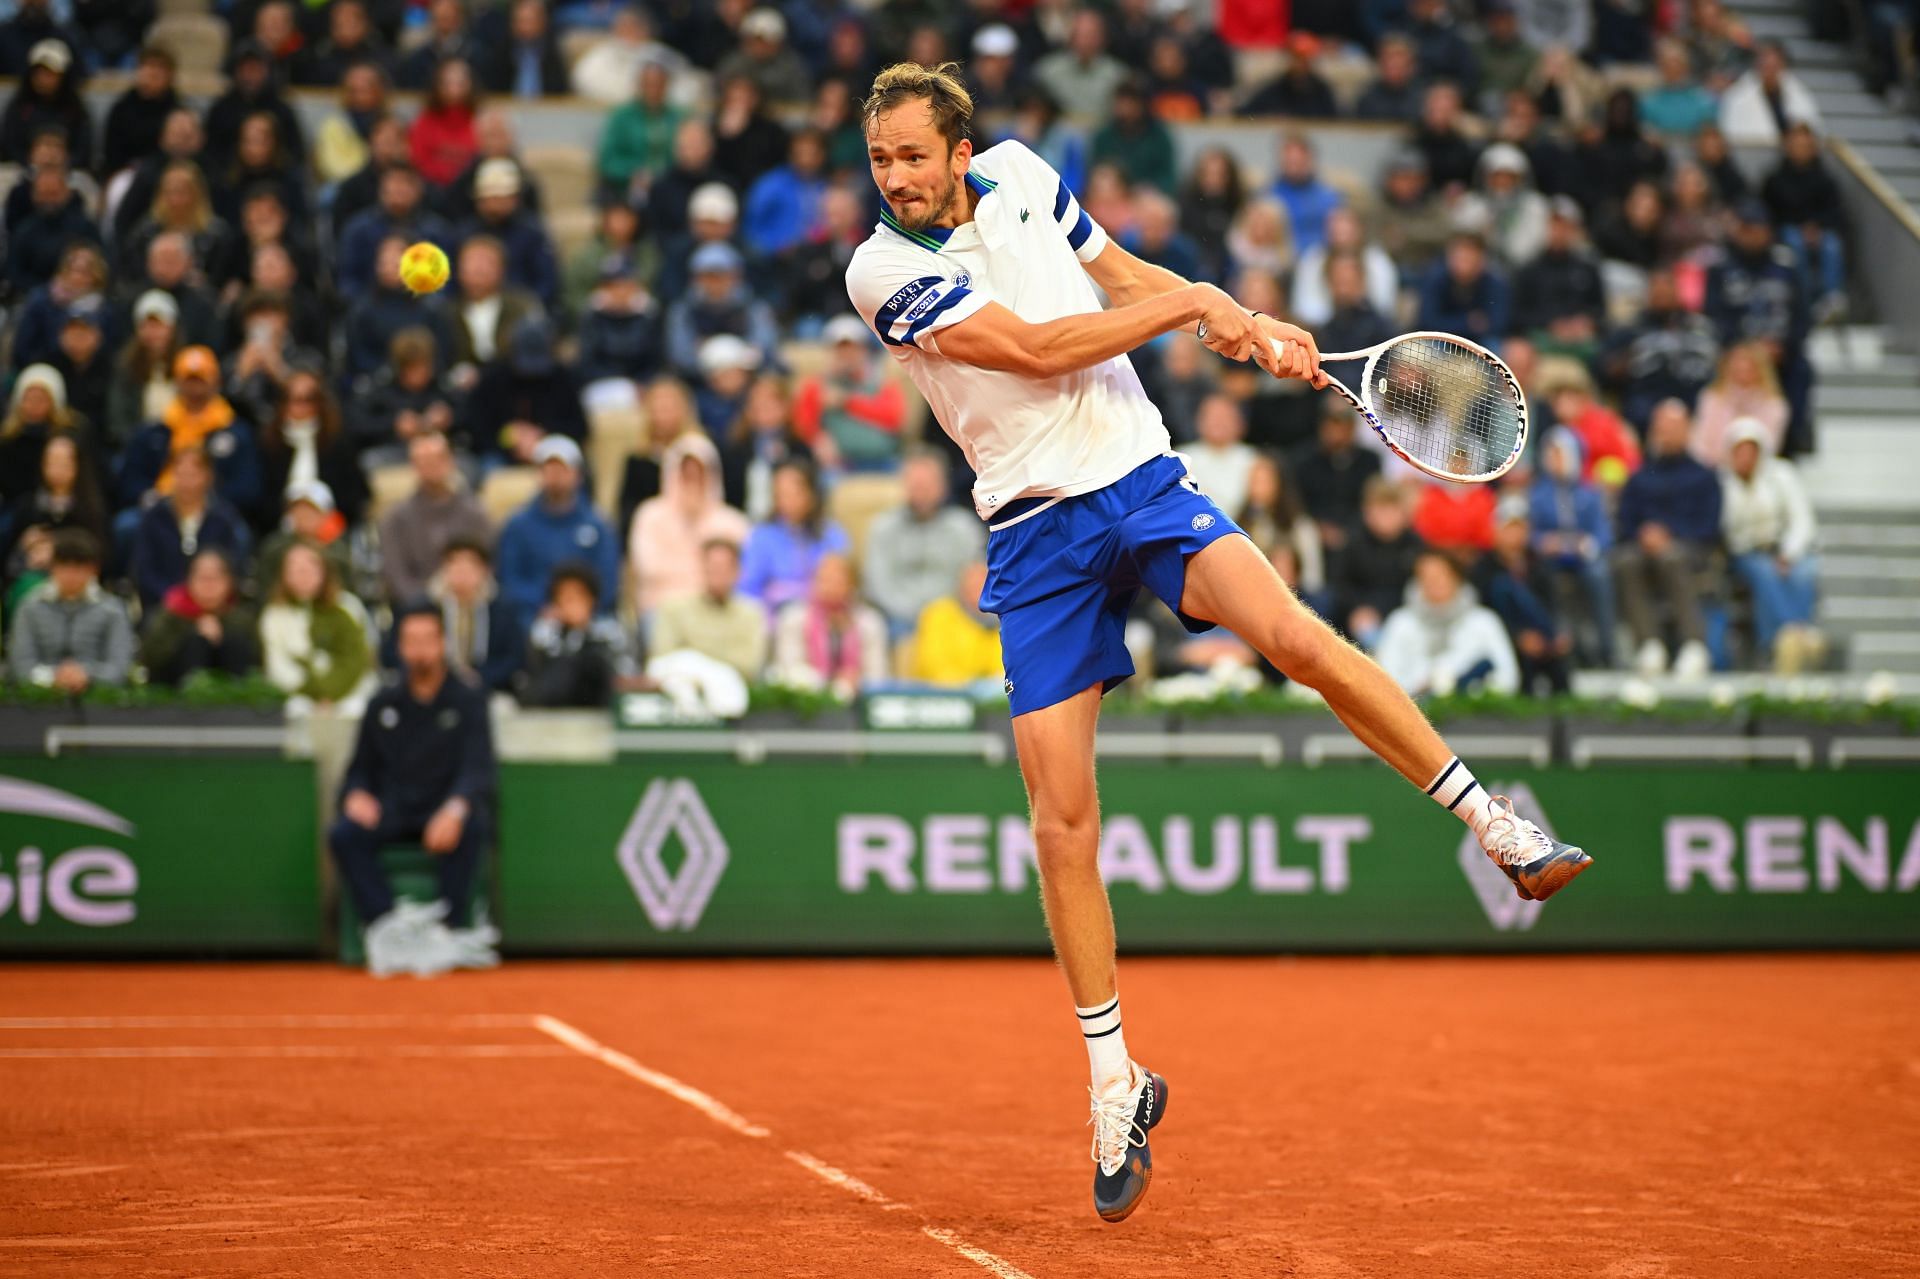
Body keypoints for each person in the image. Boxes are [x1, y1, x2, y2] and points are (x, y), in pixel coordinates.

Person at [845, 62, 1591, 1222]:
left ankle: (1495, 823)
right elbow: (1042, 351)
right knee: (1061, 819)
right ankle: (1114, 1081)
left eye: (911, 155)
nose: (894, 177)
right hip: (1034, 537)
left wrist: (1234, 322)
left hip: (1141, 482)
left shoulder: (1026, 176)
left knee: (1294, 633)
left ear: (957, 147)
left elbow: (1119, 277)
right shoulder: (879, 268)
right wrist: (1199, 300)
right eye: (879, 158)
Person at [331, 601, 499, 976]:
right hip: (393, 808)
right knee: (344, 834)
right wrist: (356, 794)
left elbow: (479, 769)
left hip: (442, 809)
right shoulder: (382, 703)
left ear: (443, 643)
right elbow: (358, 770)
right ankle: (387, 926)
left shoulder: (469, 700)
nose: (420, 650)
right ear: (400, 647)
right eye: (411, 641)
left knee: (472, 823)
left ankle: (447, 930)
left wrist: (455, 808)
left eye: (428, 640)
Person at [1613, 400, 1721, 679]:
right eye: (1660, 427)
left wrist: (1669, 534)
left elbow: (1709, 526)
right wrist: (1644, 534)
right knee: (1625, 560)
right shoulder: (1639, 476)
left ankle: (1694, 645)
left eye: (1672, 427)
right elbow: (1625, 520)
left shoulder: (1704, 476)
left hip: (1691, 547)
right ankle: (1649, 644)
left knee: (1671, 557)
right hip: (1643, 547)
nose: (1665, 433)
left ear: (1688, 430)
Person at [1719, 419, 1822, 672]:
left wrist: (1789, 553)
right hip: (1744, 551)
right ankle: (1795, 634)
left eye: (1750, 450)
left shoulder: (1781, 475)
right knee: (1764, 572)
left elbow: (1802, 519)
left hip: (1782, 547)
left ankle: (1784, 641)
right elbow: (1725, 528)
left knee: (1805, 571)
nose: (1745, 457)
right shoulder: (1721, 481)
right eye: (1739, 451)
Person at [495, 435, 620, 627]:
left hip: (590, 615)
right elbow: (509, 580)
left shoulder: (598, 525)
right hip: (533, 615)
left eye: (563, 468)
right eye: (549, 468)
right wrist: (547, 605)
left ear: (577, 474)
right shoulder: (517, 525)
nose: (556, 475)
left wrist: (578, 606)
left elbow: (608, 581)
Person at [861, 449, 985, 635]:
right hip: (898, 620)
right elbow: (878, 585)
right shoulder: (883, 528)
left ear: (943, 486)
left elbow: (974, 580)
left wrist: (941, 615)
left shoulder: (964, 528)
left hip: (953, 617)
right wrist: (916, 616)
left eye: (927, 486)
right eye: (915, 486)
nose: (921, 494)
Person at [629, 431, 750, 615]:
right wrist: (707, 575)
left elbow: (743, 574)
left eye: (698, 474)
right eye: (686, 473)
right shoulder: (649, 515)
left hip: (719, 610)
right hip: (663, 607)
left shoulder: (733, 522)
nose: (692, 481)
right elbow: (649, 569)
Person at [1528, 427, 1617, 669]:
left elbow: (1603, 532)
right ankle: (1568, 648)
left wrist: (1587, 545)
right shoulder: (1538, 494)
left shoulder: (1589, 493)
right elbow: (1531, 531)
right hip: (1553, 560)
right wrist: (1543, 543)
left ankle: (1606, 647)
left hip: (1584, 557)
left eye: (1560, 454)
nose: (1553, 460)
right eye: (1551, 454)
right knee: (1549, 581)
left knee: (1599, 575)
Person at [1376, 551, 1520, 698]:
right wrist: (1425, 686)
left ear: (1457, 578)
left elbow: (1508, 678)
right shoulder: (1401, 623)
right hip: (1415, 712)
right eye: (1426, 577)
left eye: (1441, 575)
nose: (1434, 583)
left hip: (1477, 714)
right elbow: (1385, 680)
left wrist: (1466, 690)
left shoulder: (1483, 621)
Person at [129, 445, 253, 612]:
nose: (186, 483)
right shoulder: (154, 518)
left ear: (208, 476)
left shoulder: (224, 519)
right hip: (164, 608)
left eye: (193, 475)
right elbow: (144, 570)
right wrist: (175, 599)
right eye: (180, 475)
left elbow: (232, 566)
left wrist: (207, 599)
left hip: (215, 608)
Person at [7, 529, 134, 692]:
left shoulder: (113, 610)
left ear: (94, 569)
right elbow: (20, 665)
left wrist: (87, 676)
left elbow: (120, 667)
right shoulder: (30, 607)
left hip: (100, 704)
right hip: (38, 704)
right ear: (52, 567)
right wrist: (53, 677)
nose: (72, 575)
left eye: (79, 567)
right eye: (65, 566)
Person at [260, 539, 378, 710]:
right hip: (299, 697)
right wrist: (316, 694)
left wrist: (330, 694)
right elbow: (278, 666)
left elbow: (357, 658)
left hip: (350, 694)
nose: (303, 573)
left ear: (325, 571)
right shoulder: (274, 614)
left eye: (310, 566)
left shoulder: (347, 606)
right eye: (295, 568)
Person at [380, 430, 494, 605]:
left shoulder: (475, 513)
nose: (431, 465)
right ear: (413, 466)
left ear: (451, 461)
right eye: (423, 460)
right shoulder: (396, 519)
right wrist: (426, 605)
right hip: (417, 613)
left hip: (471, 605)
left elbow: (489, 567)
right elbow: (396, 577)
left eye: (437, 458)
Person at [1476, 496, 1572, 695]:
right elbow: (1485, 614)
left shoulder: (1538, 564)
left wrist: (1559, 631)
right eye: (1509, 528)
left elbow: (1553, 602)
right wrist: (1518, 636)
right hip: (1505, 638)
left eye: (1519, 528)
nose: (1515, 535)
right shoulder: (1483, 568)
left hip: (1541, 637)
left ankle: (1564, 707)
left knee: (1559, 656)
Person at [793, 315, 907, 475]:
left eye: (852, 349)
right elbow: (803, 424)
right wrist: (816, 437)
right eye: (841, 350)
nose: (847, 356)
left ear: (864, 350)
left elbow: (895, 418)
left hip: (884, 461)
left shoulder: (882, 381)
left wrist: (846, 401)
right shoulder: (817, 386)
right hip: (841, 464)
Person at [738, 459, 849, 617]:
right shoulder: (762, 536)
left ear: (811, 494)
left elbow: (843, 581)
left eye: (794, 492)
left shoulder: (832, 534)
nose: (787, 500)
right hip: (775, 617)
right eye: (781, 493)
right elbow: (747, 589)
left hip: (825, 615)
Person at [770, 551, 888, 697]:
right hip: (807, 700)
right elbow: (789, 667)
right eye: (823, 578)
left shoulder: (869, 623)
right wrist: (830, 685)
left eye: (837, 580)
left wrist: (857, 681)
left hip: (857, 698)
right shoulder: (794, 618)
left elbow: (877, 675)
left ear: (852, 585)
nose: (828, 585)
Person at [649, 537, 768, 681]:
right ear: (702, 567)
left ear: (737, 571)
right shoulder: (674, 608)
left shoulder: (751, 613)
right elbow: (663, 660)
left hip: (734, 692)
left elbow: (749, 666)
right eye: (712, 566)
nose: (717, 573)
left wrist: (692, 656)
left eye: (723, 567)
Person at [519, 563, 636, 707]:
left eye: (578, 596)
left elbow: (626, 674)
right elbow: (537, 677)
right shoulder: (545, 632)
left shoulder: (612, 632)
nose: (573, 604)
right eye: (565, 597)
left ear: (592, 599)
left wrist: (586, 637)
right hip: (555, 708)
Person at [139, 547, 260, 686]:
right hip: (174, 695)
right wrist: (194, 633)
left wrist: (221, 637)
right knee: (196, 645)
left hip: (233, 699)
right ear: (188, 580)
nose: (208, 585)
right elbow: (151, 659)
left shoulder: (242, 617)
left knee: (235, 643)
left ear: (230, 581)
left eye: (215, 578)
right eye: (202, 577)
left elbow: (257, 660)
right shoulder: (171, 612)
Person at [598, 58, 685, 203]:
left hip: (672, 187)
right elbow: (607, 161)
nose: (653, 90)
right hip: (626, 189)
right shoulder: (622, 117)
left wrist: (662, 177)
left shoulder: (679, 117)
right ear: (639, 86)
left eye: (658, 85)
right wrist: (633, 173)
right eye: (648, 85)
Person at [910, 560, 1002, 691]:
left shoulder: (998, 622)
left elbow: (1001, 669)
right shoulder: (938, 615)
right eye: (972, 584)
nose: (977, 590)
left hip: (983, 699)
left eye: (982, 584)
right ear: (961, 586)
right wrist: (970, 686)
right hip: (937, 696)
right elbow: (935, 668)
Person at [1694, 342, 1791, 466]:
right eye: (1738, 369)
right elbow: (1700, 444)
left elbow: (1770, 447)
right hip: (1713, 469)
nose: (1743, 373)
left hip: (1757, 471)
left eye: (1748, 369)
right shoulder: (1711, 398)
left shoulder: (1775, 405)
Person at [1718, 39, 1822, 145]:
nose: (1770, 71)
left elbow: (1813, 130)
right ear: (1757, 65)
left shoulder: (1800, 94)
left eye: (1775, 66)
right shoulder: (1737, 97)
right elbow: (1731, 137)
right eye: (1766, 65)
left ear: (1783, 65)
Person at [1184, 394, 1257, 517]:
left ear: (1240, 423)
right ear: (1199, 422)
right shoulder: (1182, 459)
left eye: (1225, 417)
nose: (1218, 423)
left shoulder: (1254, 460)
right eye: (1212, 417)